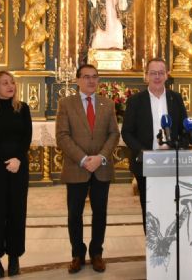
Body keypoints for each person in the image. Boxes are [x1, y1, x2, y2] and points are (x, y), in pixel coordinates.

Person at [55, 64, 120, 274]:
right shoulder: (65, 103)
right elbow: (62, 136)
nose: (91, 81)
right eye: (86, 77)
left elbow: (113, 134)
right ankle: (77, 254)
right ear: (77, 80)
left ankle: (96, 253)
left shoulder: (108, 104)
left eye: (94, 77)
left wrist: (100, 157)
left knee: (100, 212)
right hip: (77, 167)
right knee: (75, 214)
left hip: (101, 167)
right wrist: (84, 159)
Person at [121, 58, 188, 232]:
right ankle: (153, 249)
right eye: (153, 73)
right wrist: (143, 152)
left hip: (172, 162)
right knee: (149, 207)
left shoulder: (176, 99)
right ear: (146, 76)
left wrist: (177, 145)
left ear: (166, 75)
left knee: (171, 205)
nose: (157, 77)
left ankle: (171, 243)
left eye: (161, 73)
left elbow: (184, 130)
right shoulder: (136, 100)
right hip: (145, 162)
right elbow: (127, 132)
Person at [0, 71, 32, 278]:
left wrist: (18, 159)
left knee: (17, 212)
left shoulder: (23, 108)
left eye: (12, 82)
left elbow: (26, 136)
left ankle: (14, 256)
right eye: (4, 83)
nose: (10, 86)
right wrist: (6, 161)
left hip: (19, 166)